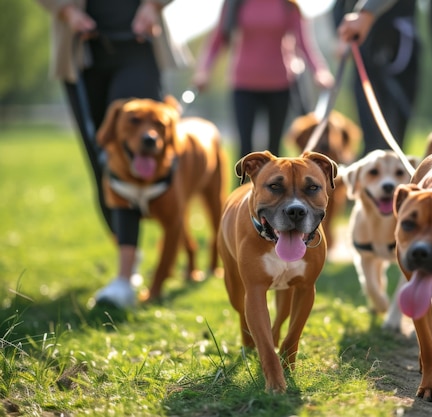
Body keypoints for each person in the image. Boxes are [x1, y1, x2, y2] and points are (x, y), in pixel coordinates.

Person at [37, 0, 191, 308]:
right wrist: (66, 11)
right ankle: (129, 254)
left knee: (135, 152)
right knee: (102, 160)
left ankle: (124, 278)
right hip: (83, 48)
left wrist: (153, 5)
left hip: (139, 42)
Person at [192, 0, 335, 161]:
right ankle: (244, 186)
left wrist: (320, 71)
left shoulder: (288, 5)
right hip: (243, 84)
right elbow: (217, 40)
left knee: (274, 148)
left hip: (280, 86)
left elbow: (305, 44)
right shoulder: (235, 4)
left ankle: (274, 186)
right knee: (245, 149)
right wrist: (203, 71)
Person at [333, 0, 432, 156]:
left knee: (398, 136)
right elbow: (339, 5)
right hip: (367, 51)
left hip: (406, 55)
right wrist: (340, 35)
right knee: (373, 138)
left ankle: (396, 174)